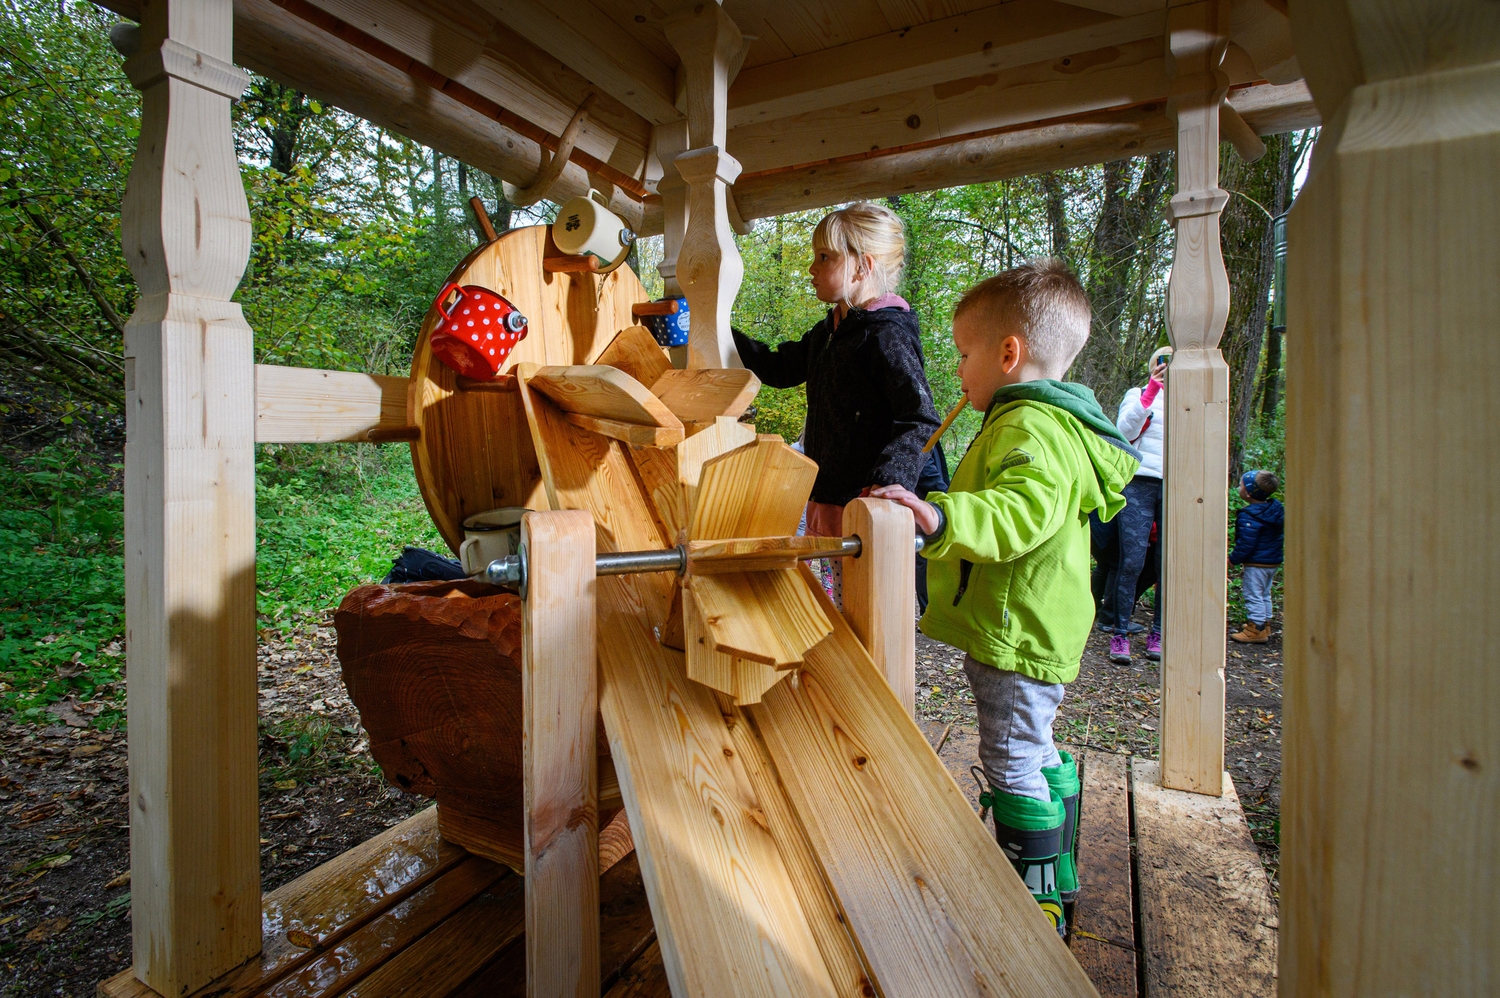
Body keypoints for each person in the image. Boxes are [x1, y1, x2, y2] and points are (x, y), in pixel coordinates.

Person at [872, 260, 1139, 936]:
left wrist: (940, 518)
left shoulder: (1028, 429)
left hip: (1015, 629)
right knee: (1036, 746)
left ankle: (1031, 909)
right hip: (1037, 622)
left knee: (1011, 756)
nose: (958, 372)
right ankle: (1058, 872)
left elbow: (1021, 514)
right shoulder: (1054, 422)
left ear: (1008, 353)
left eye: (964, 355)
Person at [732, 202, 941, 605]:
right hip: (829, 498)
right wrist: (716, 326)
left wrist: (886, 482)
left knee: (868, 610)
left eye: (824, 257)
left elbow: (920, 417)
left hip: (866, 505)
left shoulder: (886, 333)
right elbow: (777, 368)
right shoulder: (830, 330)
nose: (811, 267)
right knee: (841, 608)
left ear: (862, 266)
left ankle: (871, 669)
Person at [1108, 348, 1170, 664]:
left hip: (1176, 487)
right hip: (1139, 484)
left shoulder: (1191, 402)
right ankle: (1120, 635)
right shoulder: (1138, 393)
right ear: (1153, 366)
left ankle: (1158, 633)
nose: (1168, 367)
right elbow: (1123, 431)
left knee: (1166, 566)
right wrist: (1152, 391)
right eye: (1163, 361)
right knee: (1132, 561)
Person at [1229, 470, 1284, 643]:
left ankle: (1256, 629)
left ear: (1248, 493)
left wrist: (1233, 559)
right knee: (1264, 593)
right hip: (1272, 561)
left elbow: (1246, 543)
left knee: (1253, 594)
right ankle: (1265, 625)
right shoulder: (1274, 510)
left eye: (1241, 485)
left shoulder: (1250, 516)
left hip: (1257, 563)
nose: (1239, 487)